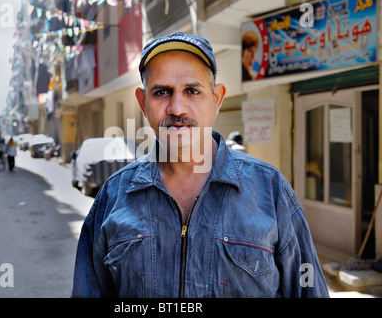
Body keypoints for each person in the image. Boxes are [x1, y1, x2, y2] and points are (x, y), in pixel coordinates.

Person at [72, 32, 329, 298]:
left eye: (192, 91)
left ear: (217, 99)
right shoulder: (112, 197)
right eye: (162, 92)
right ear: (143, 103)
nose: (177, 108)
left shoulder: (270, 190)